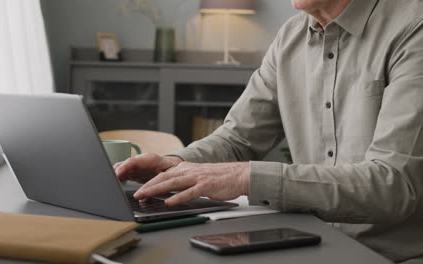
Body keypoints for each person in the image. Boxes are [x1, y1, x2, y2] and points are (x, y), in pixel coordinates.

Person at [115, 0, 423, 262]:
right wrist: (177, 164)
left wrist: (245, 177)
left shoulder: (413, 27)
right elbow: (237, 138)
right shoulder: (290, 36)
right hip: (314, 245)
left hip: (391, 255)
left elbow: (393, 184)